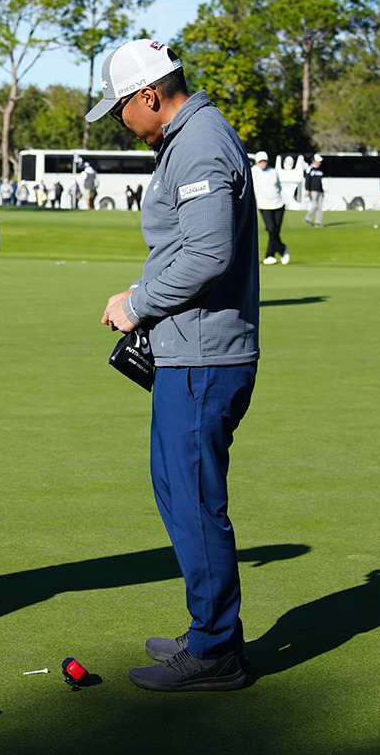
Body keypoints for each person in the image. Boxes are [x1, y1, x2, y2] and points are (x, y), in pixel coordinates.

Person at [88, 38, 259, 692]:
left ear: (148, 96)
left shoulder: (200, 144)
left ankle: (215, 652)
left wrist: (139, 303)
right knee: (180, 492)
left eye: (119, 109)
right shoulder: (189, 140)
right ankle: (212, 630)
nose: (119, 121)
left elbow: (209, 254)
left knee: (193, 499)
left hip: (205, 355)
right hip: (192, 350)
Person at [251, 151, 289, 264]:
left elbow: (279, 187)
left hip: (278, 204)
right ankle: (282, 249)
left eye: (265, 161)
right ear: (257, 162)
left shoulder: (273, 171)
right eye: (261, 162)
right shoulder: (253, 172)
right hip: (264, 205)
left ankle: (269, 255)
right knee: (271, 229)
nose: (263, 164)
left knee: (275, 231)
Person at [302, 154, 325, 227]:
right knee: (315, 205)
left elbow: (320, 182)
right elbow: (307, 180)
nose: (319, 163)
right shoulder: (310, 169)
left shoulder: (320, 170)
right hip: (313, 190)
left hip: (319, 190)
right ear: (314, 161)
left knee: (320, 206)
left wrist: (322, 190)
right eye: (318, 161)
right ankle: (307, 218)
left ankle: (318, 222)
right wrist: (307, 189)